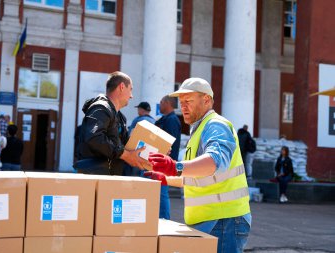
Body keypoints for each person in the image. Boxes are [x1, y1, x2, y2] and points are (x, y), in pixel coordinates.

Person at [147, 77, 251, 253]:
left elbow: (214, 162)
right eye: (181, 102)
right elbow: (196, 176)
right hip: (212, 221)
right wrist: (165, 178)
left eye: (188, 101)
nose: (183, 107)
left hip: (224, 221)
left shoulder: (215, 125)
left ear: (206, 100)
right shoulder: (199, 131)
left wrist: (176, 167)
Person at [74, 71, 150, 175]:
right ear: (122, 87)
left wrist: (157, 151)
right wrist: (125, 155)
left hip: (111, 177)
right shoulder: (100, 108)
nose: (131, 96)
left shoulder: (120, 117)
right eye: (130, 89)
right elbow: (94, 137)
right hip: (95, 178)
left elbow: (128, 146)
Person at [152, 95, 181, 220]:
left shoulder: (172, 120)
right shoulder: (166, 119)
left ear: (168, 103)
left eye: (161, 102)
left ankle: (164, 220)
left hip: (164, 164)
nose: (160, 105)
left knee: (162, 193)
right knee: (158, 193)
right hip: (158, 162)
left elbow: (170, 143)